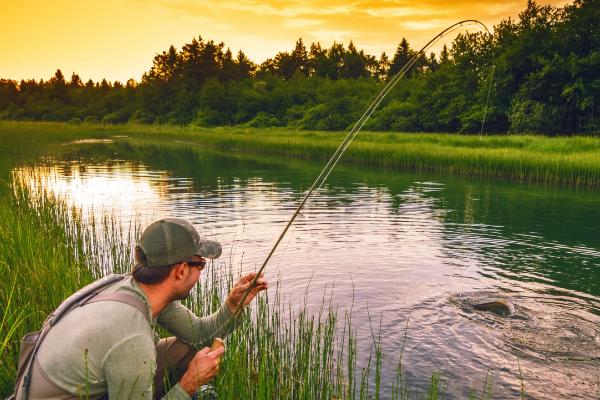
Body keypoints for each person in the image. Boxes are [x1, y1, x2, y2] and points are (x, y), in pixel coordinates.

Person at [15, 218, 268, 399]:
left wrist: (233, 306)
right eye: (200, 265)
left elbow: (199, 335)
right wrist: (189, 384)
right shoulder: (131, 335)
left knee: (185, 348)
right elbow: (131, 344)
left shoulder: (132, 287)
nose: (201, 272)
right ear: (180, 270)